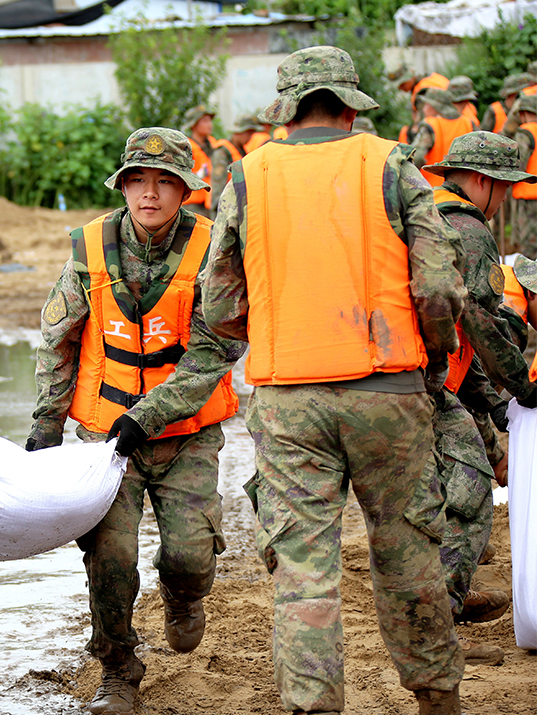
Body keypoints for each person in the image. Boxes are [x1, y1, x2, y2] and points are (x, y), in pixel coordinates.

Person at [200, 46, 466, 714]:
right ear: (350, 104)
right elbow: (436, 286)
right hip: (388, 391)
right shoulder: (392, 163)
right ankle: (437, 698)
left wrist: (273, 335)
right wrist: (431, 360)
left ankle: (313, 705)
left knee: (304, 565)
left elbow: (218, 304)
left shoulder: (246, 176)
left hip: (289, 398)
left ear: (287, 109)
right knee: (407, 551)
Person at [27, 127, 243, 715]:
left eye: (164, 182)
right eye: (137, 181)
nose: (149, 193)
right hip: (105, 442)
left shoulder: (213, 250)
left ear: (186, 191)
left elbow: (215, 351)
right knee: (109, 561)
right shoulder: (89, 247)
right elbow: (58, 342)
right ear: (123, 187)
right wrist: (45, 430)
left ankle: (184, 594)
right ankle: (118, 667)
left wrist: (148, 416)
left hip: (187, 435)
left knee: (190, 555)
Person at [422, 131, 537, 660]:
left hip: (415, 375)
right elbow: (481, 322)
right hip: (417, 382)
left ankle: (446, 594)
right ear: (486, 183)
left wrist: (495, 404)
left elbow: (460, 342)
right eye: (506, 188)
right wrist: (522, 386)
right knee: (469, 494)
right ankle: (437, 617)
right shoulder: (467, 228)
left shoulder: (428, 213)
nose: (508, 198)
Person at [412, 89, 475, 186]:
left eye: (426, 105)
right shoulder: (468, 123)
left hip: (432, 190)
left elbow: (417, 157)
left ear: (435, 106)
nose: (424, 109)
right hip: (463, 188)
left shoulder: (430, 124)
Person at [507, 95, 537, 258]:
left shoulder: (525, 131)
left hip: (528, 195)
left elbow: (519, 164)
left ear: (524, 113)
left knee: (529, 245)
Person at [393, 68, 449, 144]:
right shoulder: (434, 79)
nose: (400, 88)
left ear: (410, 77)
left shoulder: (422, 90)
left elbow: (421, 120)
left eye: (402, 84)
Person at [180, 105, 215, 217]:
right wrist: (197, 175)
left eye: (209, 121)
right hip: (192, 204)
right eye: (205, 121)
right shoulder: (186, 146)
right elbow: (179, 173)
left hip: (211, 201)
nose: (210, 124)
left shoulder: (214, 144)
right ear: (194, 124)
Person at [209, 115, 257, 197]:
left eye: (251, 133)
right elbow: (218, 186)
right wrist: (217, 208)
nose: (250, 137)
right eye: (248, 133)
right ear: (239, 131)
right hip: (224, 204)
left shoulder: (242, 151)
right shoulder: (222, 152)